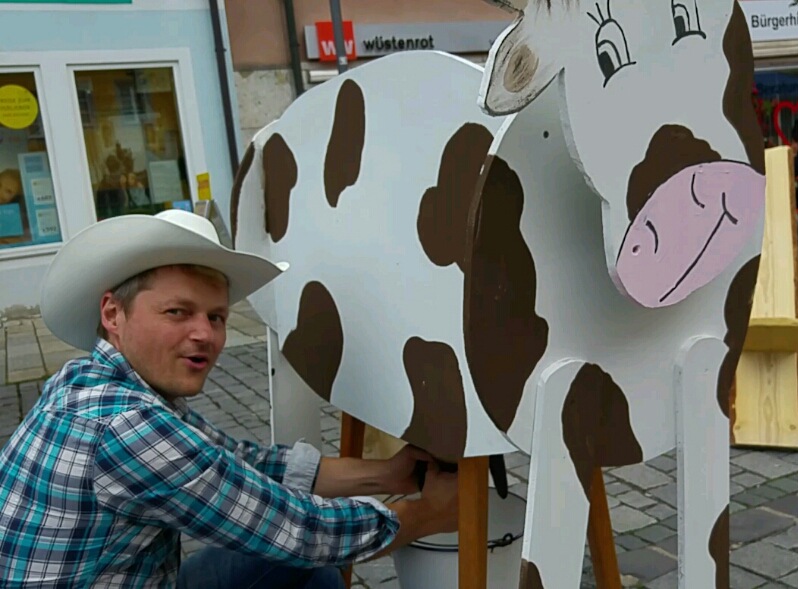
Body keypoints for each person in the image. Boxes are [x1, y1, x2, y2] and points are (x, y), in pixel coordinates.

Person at [0, 209, 459, 588]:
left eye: (217, 317)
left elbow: (240, 463)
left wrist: (388, 473)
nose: (205, 334)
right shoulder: (127, 426)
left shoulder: (87, 378)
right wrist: (428, 515)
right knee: (307, 563)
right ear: (113, 314)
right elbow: (296, 529)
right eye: (177, 312)